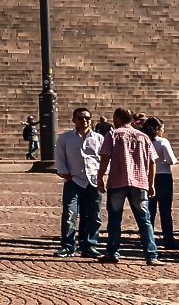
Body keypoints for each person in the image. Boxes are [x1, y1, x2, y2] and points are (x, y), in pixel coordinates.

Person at [95, 108, 160, 265]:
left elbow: (105, 157)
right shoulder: (143, 136)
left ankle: (113, 252)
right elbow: (152, 161)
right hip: (139, 182)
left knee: (115, 219)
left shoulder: (113, 135)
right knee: (144, 219)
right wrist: (151, 183)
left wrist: (100, 177)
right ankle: (151, 255)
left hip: (117, 181)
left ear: (117, 118)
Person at [55, 107, 103, 257]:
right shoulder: (65, 138)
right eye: (80, 118)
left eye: (87, 118)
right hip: (74, 181)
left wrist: (103, 175)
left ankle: (89, 245)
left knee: (94, 215)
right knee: (70, 214)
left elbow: (105, 159)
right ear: (74, 120)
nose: (84, 120)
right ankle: (68, 246)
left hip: (93, 181)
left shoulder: (99, 138)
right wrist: (66, 175)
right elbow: (59, 157)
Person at [141, 117, 178, 248]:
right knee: (165, 210)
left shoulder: (143, 141)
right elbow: (172, 160)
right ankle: (168, 240)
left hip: (148, 176)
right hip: (164, 176)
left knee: (149, 210)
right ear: (157, 129)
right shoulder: (162, 142)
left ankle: (147, 239)